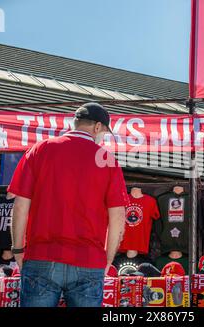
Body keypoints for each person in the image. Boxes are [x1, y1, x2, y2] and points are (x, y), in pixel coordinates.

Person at [7, 102, 128, 307]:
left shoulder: (41, 149)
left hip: (41, 256)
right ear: (97, 127)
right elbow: (117, 216)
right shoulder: (107, 159)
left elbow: (20, 206)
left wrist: (18, 250)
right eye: (105, 133)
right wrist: (107, 260)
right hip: (89, 259)